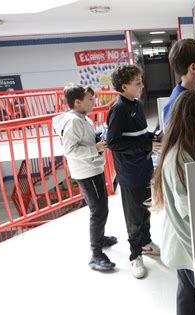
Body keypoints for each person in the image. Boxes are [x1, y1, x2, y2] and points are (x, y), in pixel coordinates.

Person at [151, 90, 195, 315]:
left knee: (187, 294)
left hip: (181, 244)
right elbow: (191, 211)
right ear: (192, 120)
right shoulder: (180, 159)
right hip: (188, 245)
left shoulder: (181, 150)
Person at [53, 84, 117, 272]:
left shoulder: (82, 118)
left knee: (102, 207)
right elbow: (69, 150)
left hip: (92, 169)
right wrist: (95, 148)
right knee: (98, 211)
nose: (93, 102)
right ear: (77, 102)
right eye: (90, 99)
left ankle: (100, 238)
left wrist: (96, 139)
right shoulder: (74, 121)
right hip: (87, 172)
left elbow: (83, 140)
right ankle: (96, 255)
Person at [106, 64, 162, 279]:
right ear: (124, 86)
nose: (142, 86)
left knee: (146, 208)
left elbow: (138, 134)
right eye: (137, 83)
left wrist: (151, 138)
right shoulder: (119, 109)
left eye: (141, 81)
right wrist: (145, 146)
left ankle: (146, 243)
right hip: (129, 172)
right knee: (134, 216)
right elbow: (114, 143)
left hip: (144, 166)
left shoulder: (137, 105)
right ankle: (134, 254)